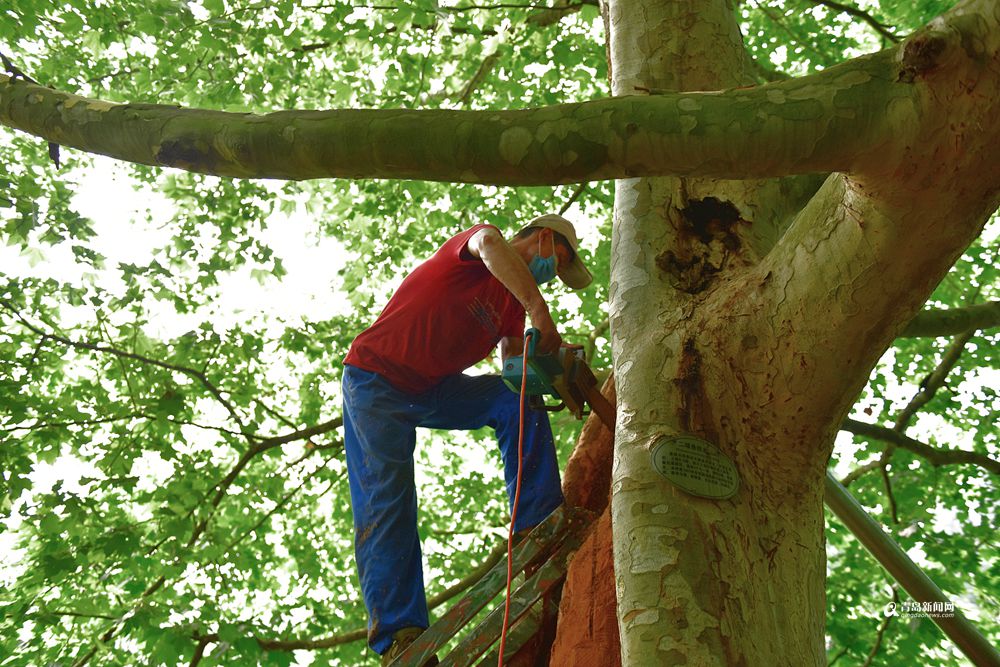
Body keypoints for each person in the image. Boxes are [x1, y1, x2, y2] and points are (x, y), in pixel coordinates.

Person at [341, 213, 593, 665]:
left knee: (511, 399)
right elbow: (492, 247)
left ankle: (536, 523)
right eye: (557, 260)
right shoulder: (484, 243)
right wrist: (539, 309)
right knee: (387, 499)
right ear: (543, 237)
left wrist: (560, 376)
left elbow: (516, 373)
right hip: (375, 379)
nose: (552, 275)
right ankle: (401, 635)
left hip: (429, 390)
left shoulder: (513, 309)